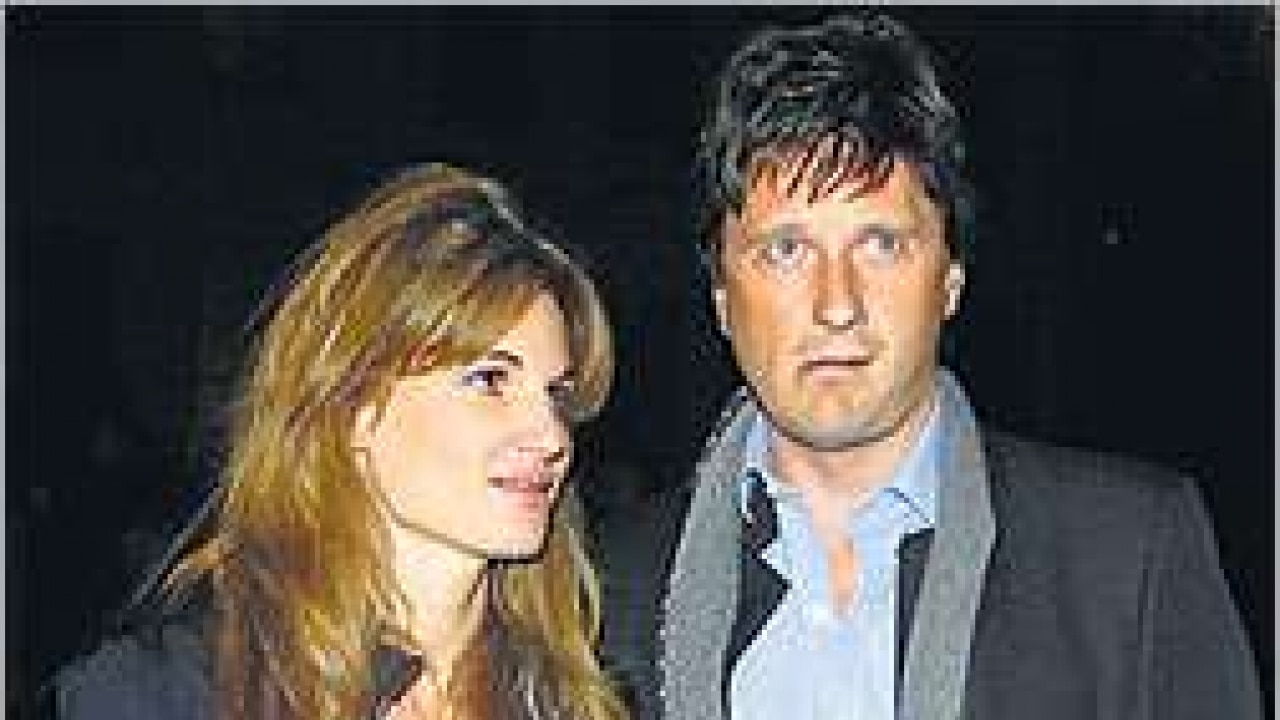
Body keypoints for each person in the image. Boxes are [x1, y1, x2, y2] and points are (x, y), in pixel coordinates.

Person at [592, 12, 1262, 720]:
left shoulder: (1129, 560)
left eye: (880, 245)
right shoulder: (605, 593)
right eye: (787, 250)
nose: (836, 304)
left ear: (951, 280)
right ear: (722, 297)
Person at [54, 163, 629, 720]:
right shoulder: (167, 693)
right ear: (354, 407)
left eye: (556, 394)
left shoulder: (579, 697)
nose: (551, 435)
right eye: (489, 381)